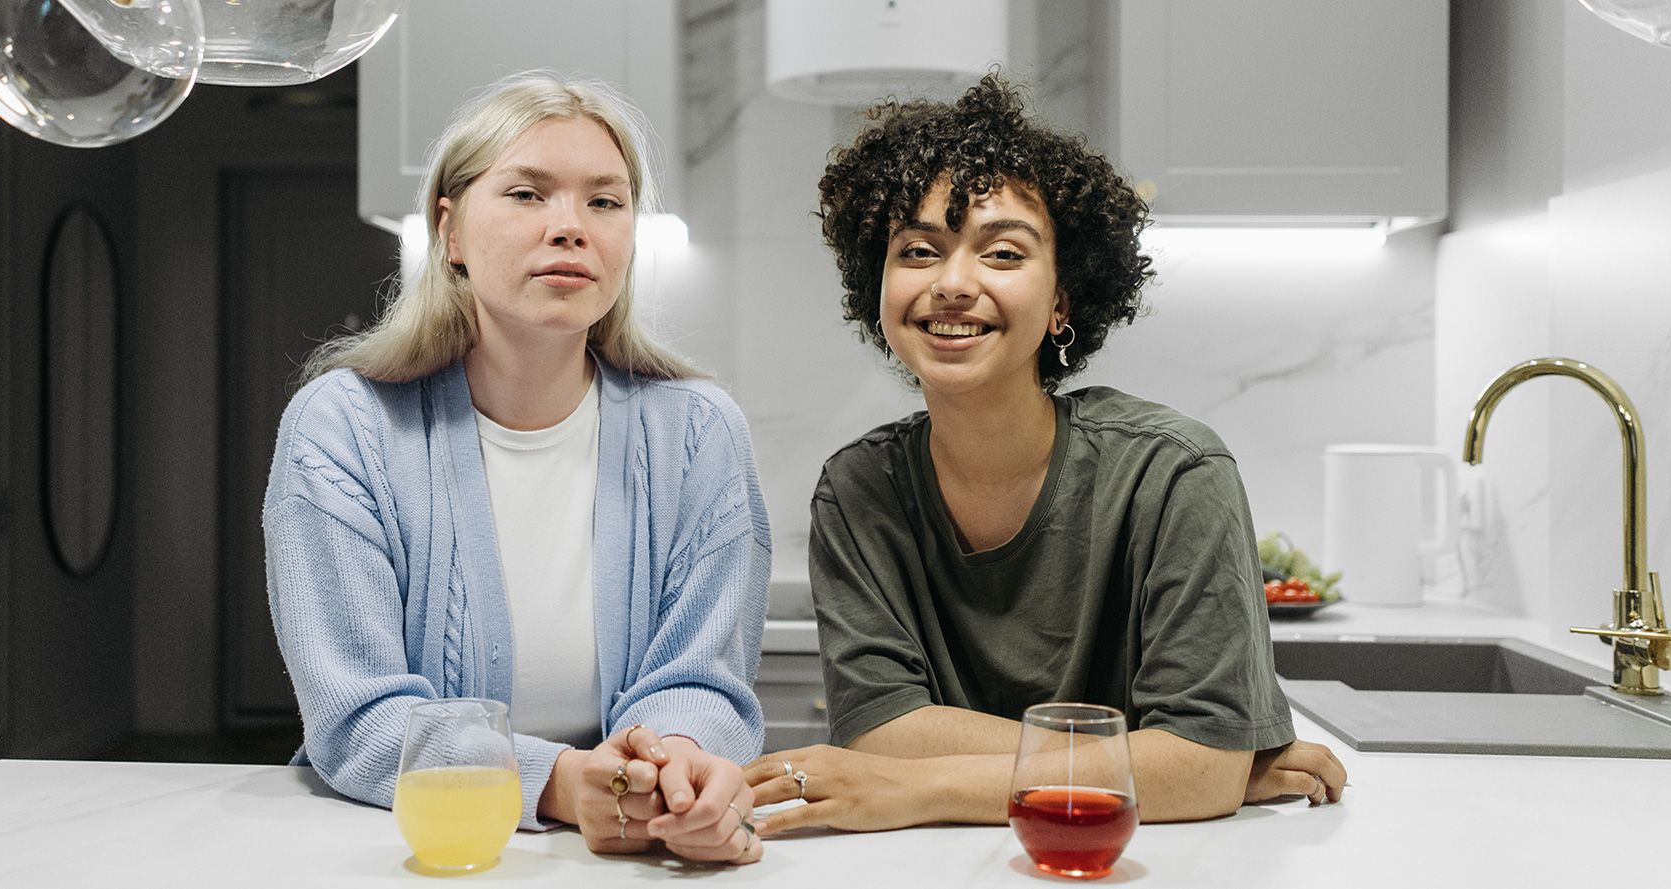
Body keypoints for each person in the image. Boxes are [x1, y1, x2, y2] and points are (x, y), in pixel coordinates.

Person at [745, 73, 1347, 834]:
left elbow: (1198, 765)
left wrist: (923, 786)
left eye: (1001, 253)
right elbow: (879, 734)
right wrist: (1156, 765)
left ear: (1063, 297)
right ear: (880, 287)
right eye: (918, 250)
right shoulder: (858, 489)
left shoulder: (1174, 474)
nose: (953, 283)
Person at [264, 70, 768, 864]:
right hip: (399, 848)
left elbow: (703, 679)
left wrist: (675, 770)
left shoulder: (700, 433)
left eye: (604, 201)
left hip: (633, 852)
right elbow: (357, 717)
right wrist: (561, 783)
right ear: (451, 231)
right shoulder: (343, 427)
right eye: (528, 194)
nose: (571, 226)